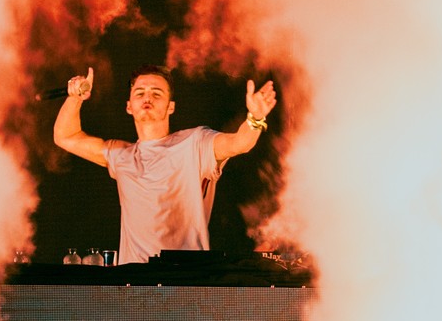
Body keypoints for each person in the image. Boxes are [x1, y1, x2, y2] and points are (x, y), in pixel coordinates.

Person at [52, 64, 277, 264]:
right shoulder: (121, 155)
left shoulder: (195, 143)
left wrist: (255, 118)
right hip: (134, 283)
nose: (147, 98)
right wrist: (75, 98)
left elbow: (240, 142)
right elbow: (66, 137)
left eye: (156, 93)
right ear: (129, 106)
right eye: (140, 93)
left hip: (186, 280)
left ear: (171, 107)